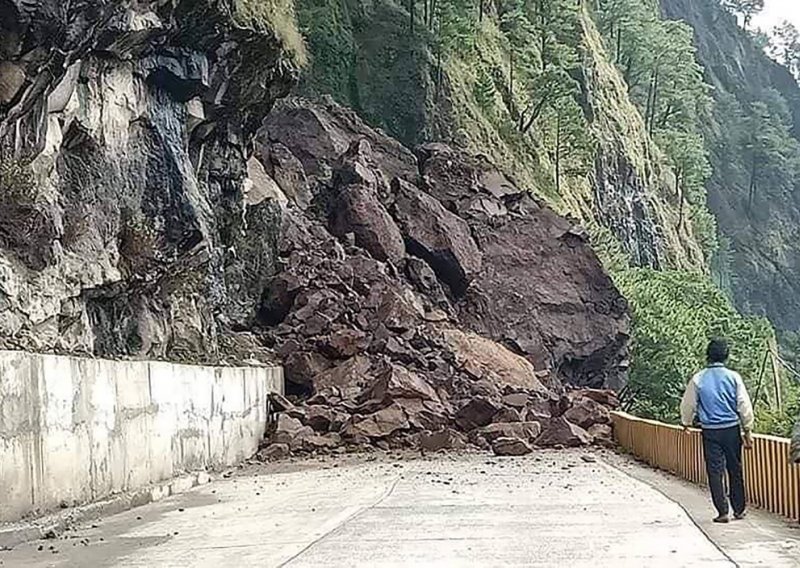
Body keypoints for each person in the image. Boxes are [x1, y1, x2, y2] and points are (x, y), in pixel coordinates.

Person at [680, 337, 754, 524]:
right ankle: (739, 509)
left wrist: (686, 423)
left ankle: (722, 512)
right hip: (731, 429)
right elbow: (744, 405)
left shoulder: (698, 378)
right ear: (726, 356)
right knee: (735, 469)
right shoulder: (734, 377)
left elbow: (688, 404)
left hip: (710, 431)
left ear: (708, 356)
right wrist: (748, 431)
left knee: (715, 471)